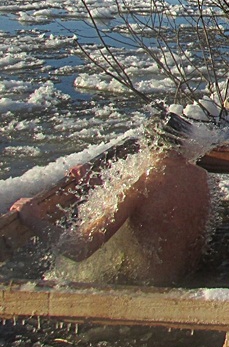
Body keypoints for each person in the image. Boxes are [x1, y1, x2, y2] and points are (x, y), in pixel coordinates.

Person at [10, 113, 213, 286]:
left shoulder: (142, 184)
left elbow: (80, 249)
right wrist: (99, 181)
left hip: (150, 291)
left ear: (147, 143)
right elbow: (156, 202)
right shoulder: (199, 176)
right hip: (190, 281)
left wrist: (31, 219)